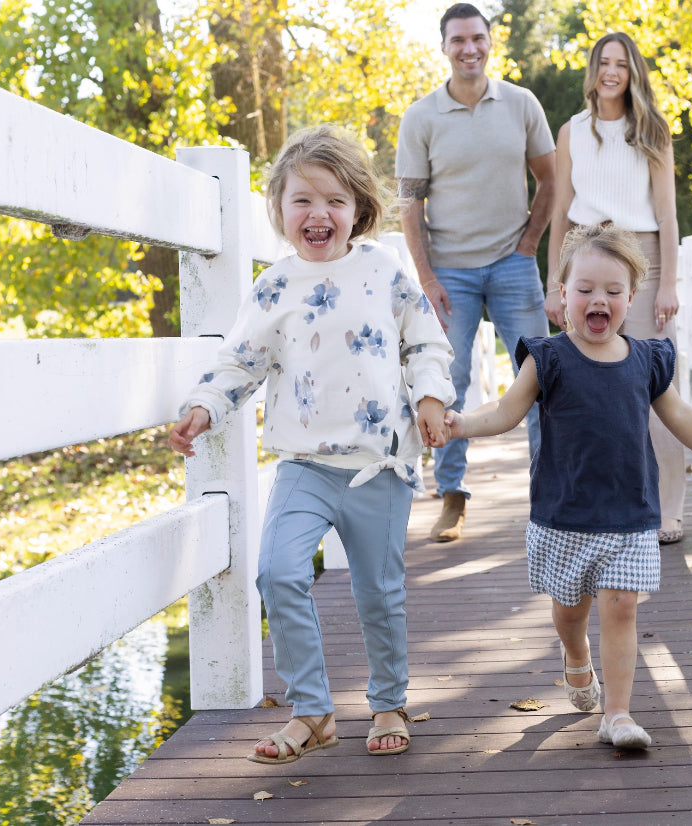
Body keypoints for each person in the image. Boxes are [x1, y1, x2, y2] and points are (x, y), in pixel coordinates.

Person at [169, 124, 455, 763]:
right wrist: (205, 405)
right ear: (279, 208)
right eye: (302, 199)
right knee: (278, 571)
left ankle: (388, 702)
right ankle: (312, 710)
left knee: (379, 591)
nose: (318, 213)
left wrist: (431, 398)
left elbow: (425, 343)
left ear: (358, 209)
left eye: (334, 200)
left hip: (379, 465)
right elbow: (241, 360)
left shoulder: (384, 271)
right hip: (304, 465)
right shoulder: (275, 285)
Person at [445, 225, 692, 749]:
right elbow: (504, 410)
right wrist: (461, 424)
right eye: (585, 288)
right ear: (563, 293)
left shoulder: (646, 359)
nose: (599, 300)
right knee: (570, 612)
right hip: (564, 512)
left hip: (630, 513)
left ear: (630, 298)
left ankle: (617, 713)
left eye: (613, 290)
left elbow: (680, 415)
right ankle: (575, 654)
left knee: (621, 606)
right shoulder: (547, 358)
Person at [395, 2, 556, 543]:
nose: (469, 49)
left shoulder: (521, 103)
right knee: (447, 382)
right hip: (450, 274)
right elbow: (409, 206)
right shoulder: (421, 117)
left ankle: (549, 494)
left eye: (477, 38)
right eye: (458, 40)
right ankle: (452, 496)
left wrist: (529, 244)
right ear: (444, 47)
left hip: (513, 266)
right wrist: (428, 278)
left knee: (542, 377)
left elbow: (551, 180)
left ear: (490, 41)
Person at [546, 32, 688, 545]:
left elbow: (667, 214)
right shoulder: (572, 132)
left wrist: (667, 282)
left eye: (621, 65)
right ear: (593, 69)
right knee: (590, 384)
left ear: (633, 74)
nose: (611, 72)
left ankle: (669, 509)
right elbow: (561, 211)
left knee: (657, 383)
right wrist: (555, 283)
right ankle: (605, 505)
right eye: (604, 62)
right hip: (587, 255)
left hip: (642, 257)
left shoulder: (651, 130)